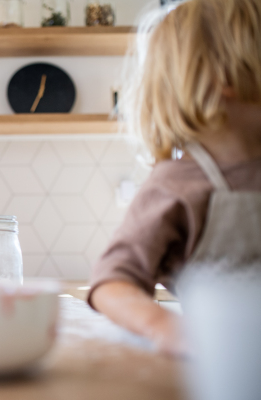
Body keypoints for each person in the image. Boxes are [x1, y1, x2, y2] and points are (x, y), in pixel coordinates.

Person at [87, 0, 261, 356]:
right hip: (227, 365)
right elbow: (111, 282)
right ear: (226, 78)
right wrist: (164, 328)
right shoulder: (176, 186)